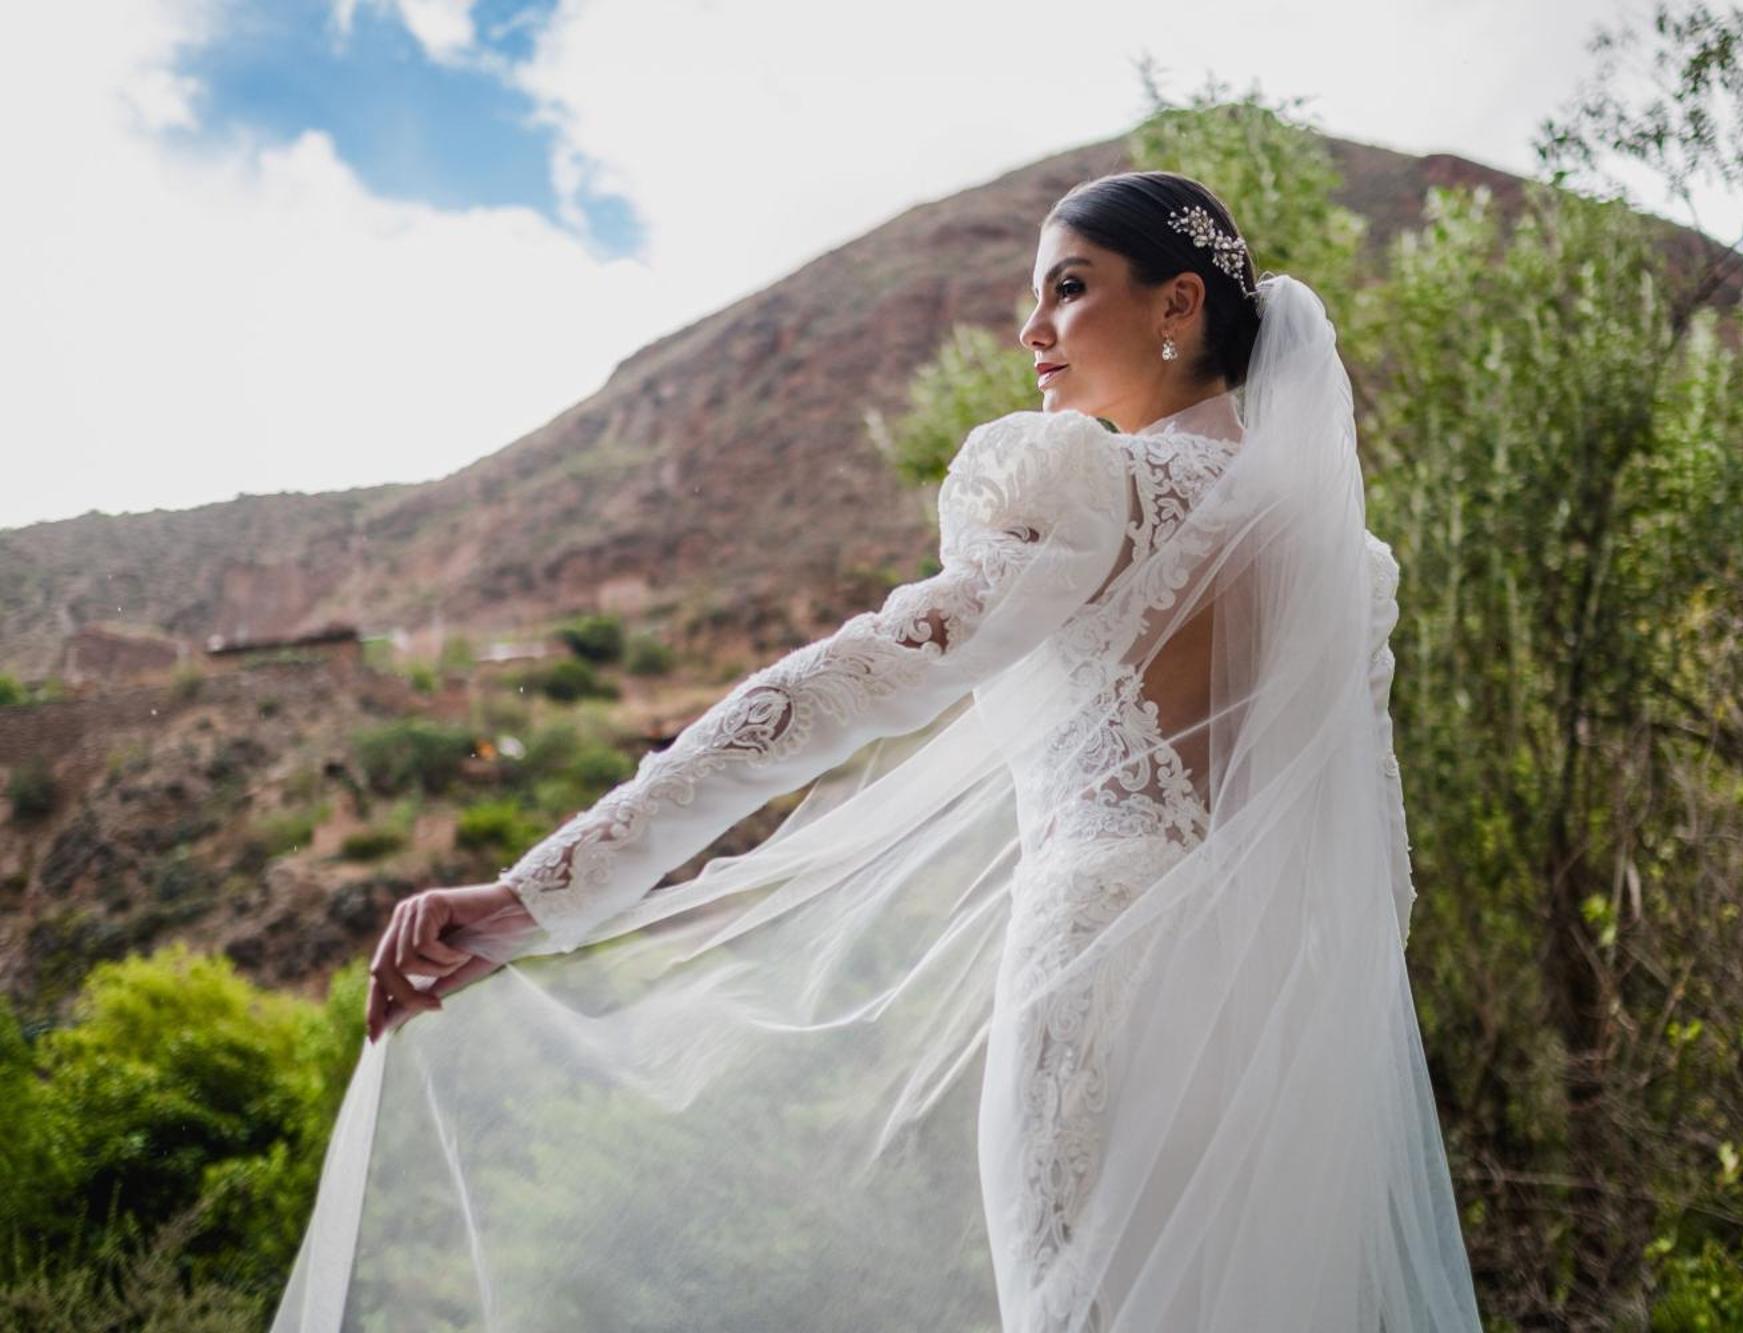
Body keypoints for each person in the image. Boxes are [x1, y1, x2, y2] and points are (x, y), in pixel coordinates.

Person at [273, 170, 1483, 1332]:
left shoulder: (1088, 486)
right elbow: (1373, 858)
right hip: (1269, 1020)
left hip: (1096, 980)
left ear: (1179, 304)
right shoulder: (1342, 564)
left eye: (1069, 286)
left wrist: (546, 888)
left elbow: (838, 687)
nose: (1030, 328)